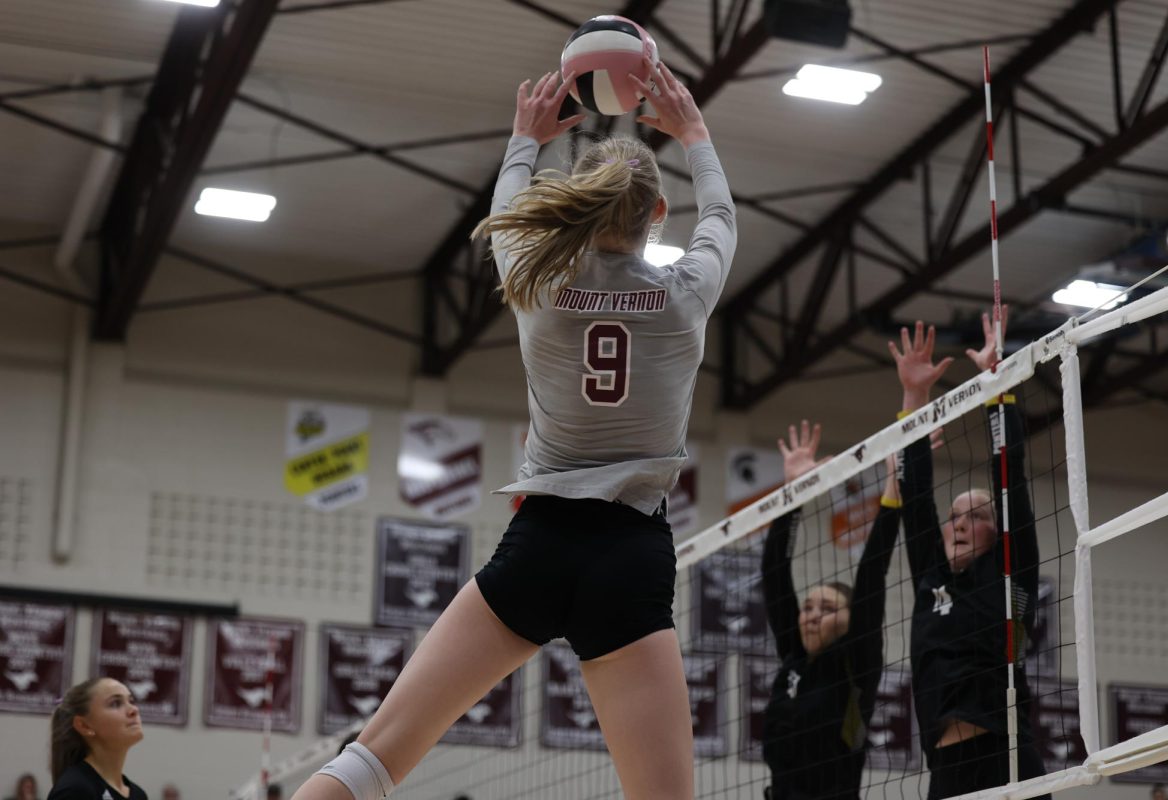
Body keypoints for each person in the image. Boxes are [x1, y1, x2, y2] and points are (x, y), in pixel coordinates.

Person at [292, 58, 734, 800]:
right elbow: (721, 219)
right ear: (658, 217)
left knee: (372, 761)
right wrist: (694, 133)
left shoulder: (537, 282)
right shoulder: (687, 294)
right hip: (630, 557)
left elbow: (507, 210)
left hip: (541, 545)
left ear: (583, 209)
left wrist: (524, 139)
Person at [889, 310, 1045, 800]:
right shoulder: (931, 578)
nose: (959, 522)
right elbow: (915, 499)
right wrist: (915, 396)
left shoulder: (1009, 572)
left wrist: (995, 387)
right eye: (955, 515)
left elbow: (1010, 477)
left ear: (997, 535)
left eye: (976, 516)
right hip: (947, 772)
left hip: (1009, 759)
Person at [760, 421, 903, 800]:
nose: (811, 614)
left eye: (826, 608)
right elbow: (774, 571)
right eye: (807, 606)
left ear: (849, 621)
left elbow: (871, 577)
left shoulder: (857, 663)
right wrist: (794, 494)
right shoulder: (794, 655)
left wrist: (892, 498)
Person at [46, 677, 147, 800]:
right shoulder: (75, 791)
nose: (134, 709)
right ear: (84, 725)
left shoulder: (138, 795)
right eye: (115, 703)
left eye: (131, 701)